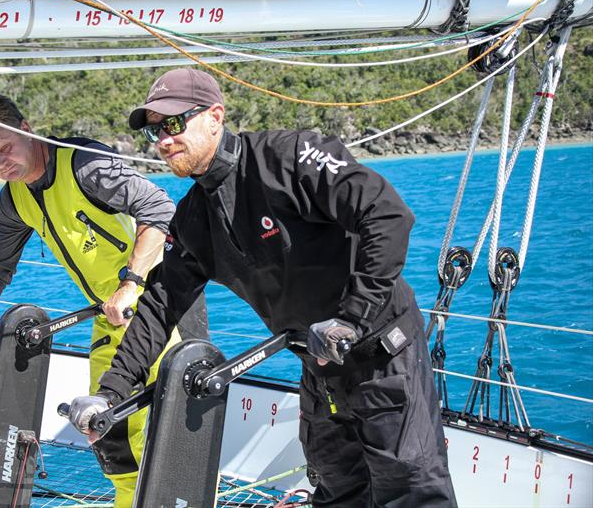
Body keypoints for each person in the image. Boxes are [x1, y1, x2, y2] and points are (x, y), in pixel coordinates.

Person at [67, 68, 457, 507]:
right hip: (318, 366)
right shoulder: (193, 218)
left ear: (215, 115)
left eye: (174, 123)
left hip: (383, 354)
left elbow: (386, 216)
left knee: (412, 494)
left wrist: (352, 319)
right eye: (156, 130)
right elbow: (160, 304)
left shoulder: (290, 157)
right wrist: (110, 392)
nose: (163, 139)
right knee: (338, 494)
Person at [0, 94, 206, 508]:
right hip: (110, 313)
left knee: (175, 431)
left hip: (161, 301)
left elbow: (160, 210)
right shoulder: (14, 199)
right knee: (110, 434)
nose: (1, 163)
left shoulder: (84, 163)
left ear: (27, 129)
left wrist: (131, 282)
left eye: (5, 148)